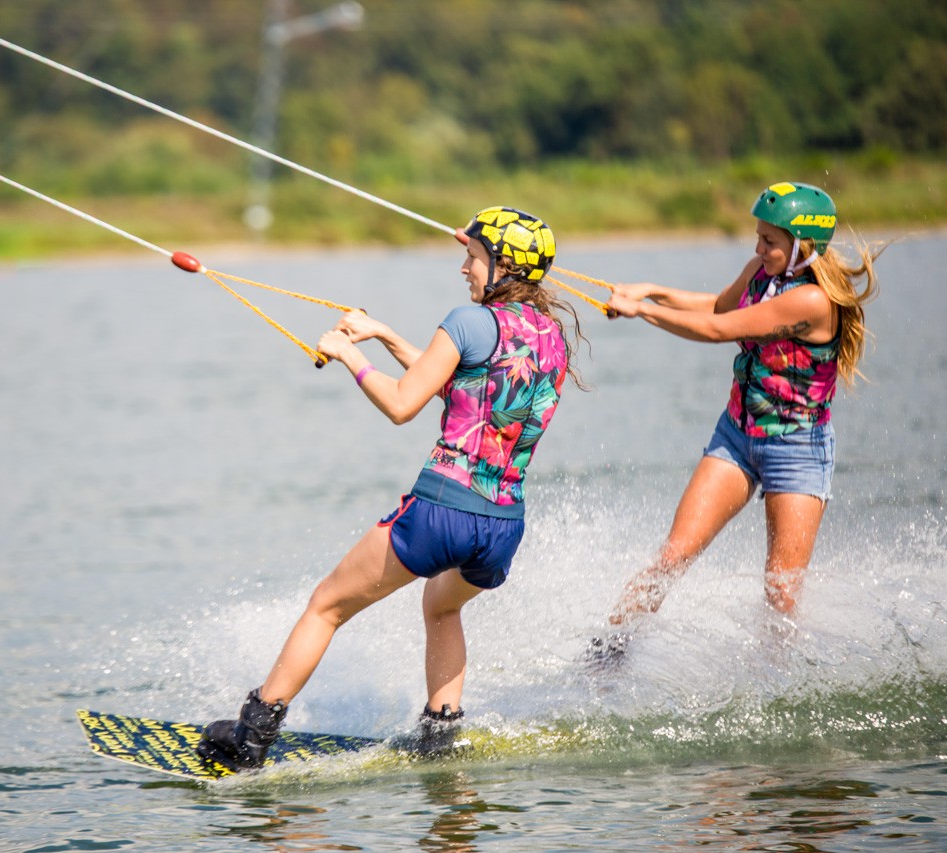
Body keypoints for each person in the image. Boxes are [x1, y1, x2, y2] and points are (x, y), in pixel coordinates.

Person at [197, 207, 585, 771]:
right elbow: (456, 388)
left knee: (326, 606)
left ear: (501, 265)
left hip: (440, 510)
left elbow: (406, 401)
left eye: (472, 258)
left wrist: (350, 354)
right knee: (442, 606)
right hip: (502, 524)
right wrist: (378, 333)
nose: (463, 268)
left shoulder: (470, 320)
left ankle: (251, 736)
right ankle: (440, 735)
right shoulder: (550, 337)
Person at [595, 181, 882, 653]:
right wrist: (651, 291)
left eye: (769, 240)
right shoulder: (762, 273)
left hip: (797, 450)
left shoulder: (811, 301)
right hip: (737, 435)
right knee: (672, 557)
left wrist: (641, 312)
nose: (758, 247)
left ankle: (774, 687)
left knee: (780, 596)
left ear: (802, 245)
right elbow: (716, 305)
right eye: (759, 236)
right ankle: (605, 657)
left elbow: (716, 329)